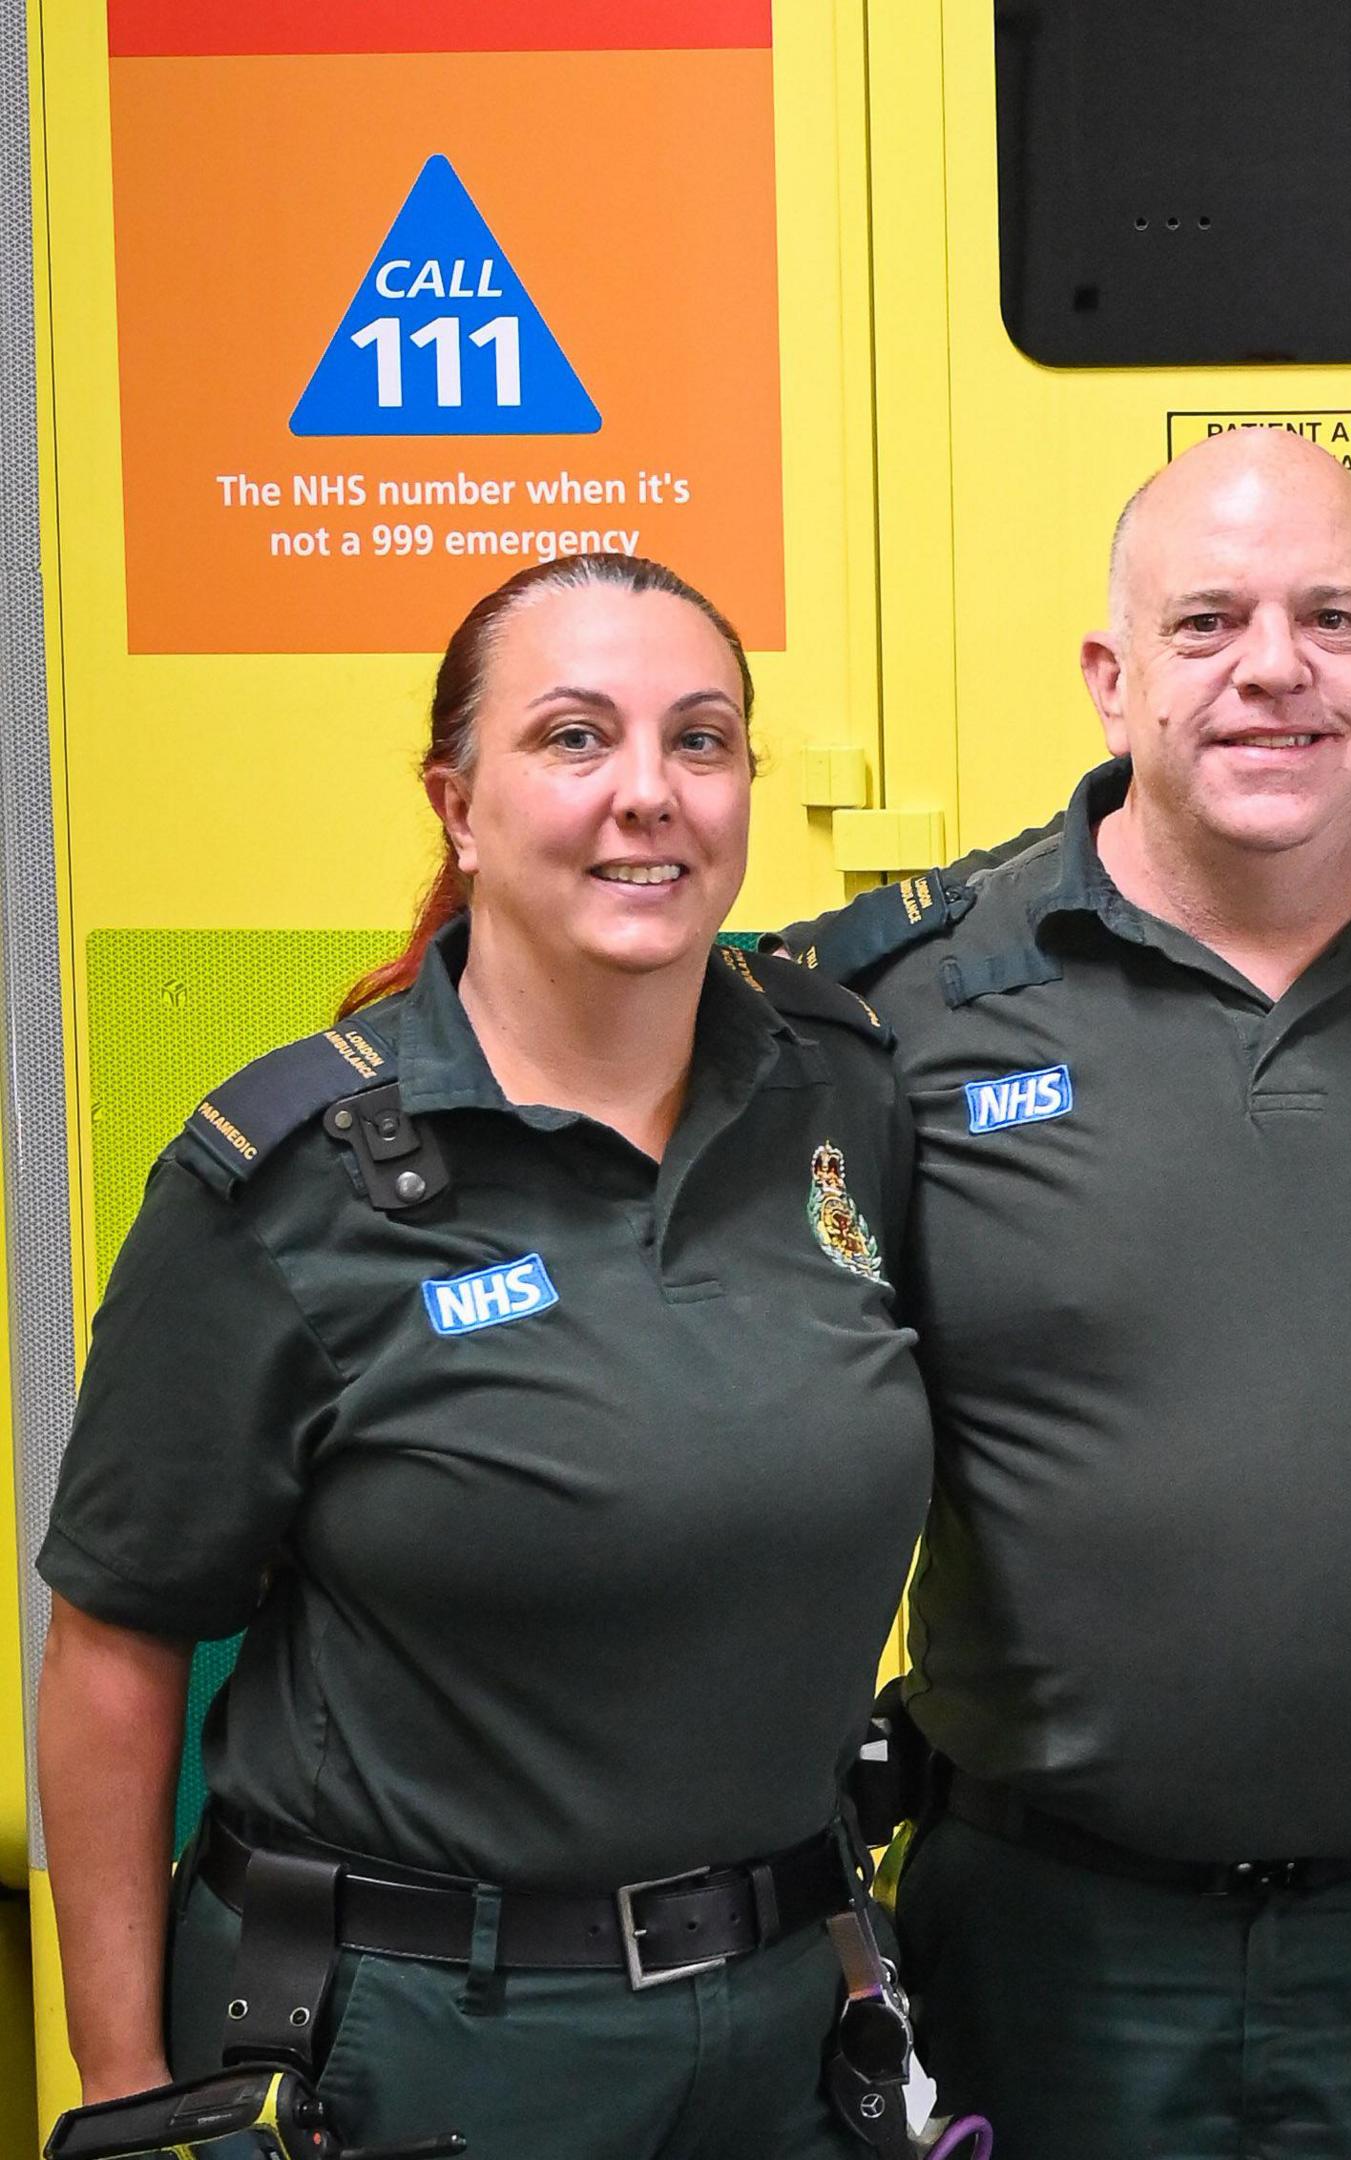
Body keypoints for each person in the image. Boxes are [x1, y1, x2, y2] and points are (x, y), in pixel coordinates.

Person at [32, 553, 930, 2156]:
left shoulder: (838, 1093)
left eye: (701, 740)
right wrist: (124, 2092)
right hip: (425, 2043)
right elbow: (114, 1647)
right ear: (456, 801)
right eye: (575, 738)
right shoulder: (285, 1183)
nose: (646, 794)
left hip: (790, 2015)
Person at [779, 427, 1351, 2159]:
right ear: (1111, 677)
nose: (1273, 669)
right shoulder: (910, 1007)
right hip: (1052, 1936)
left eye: (1331, 618)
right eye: (1208, 621)